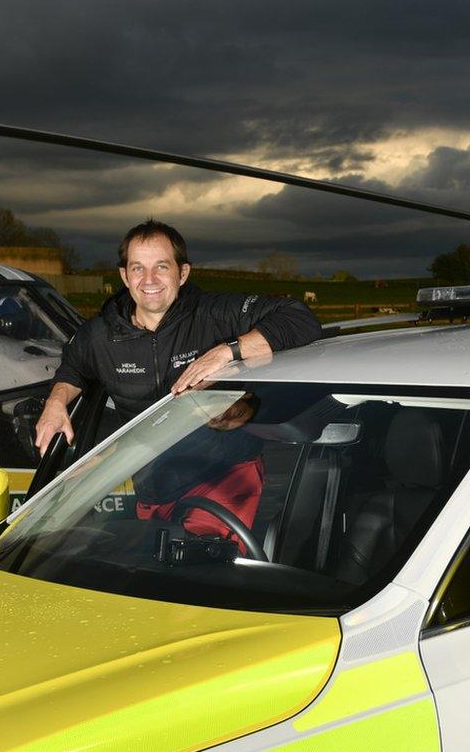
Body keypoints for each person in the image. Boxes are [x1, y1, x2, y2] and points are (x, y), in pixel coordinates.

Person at [34, 220, 321, 453]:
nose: (149, 280)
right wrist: (55, 403)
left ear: (182, 273)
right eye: (138, 268)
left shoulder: (215, 314)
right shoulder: (100, 334)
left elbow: (298, 316)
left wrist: (227, 351)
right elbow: (73, 367)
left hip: (228, 474)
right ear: (124, 276)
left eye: (161, 267)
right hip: (151, 479)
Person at [133, 393, 264, 553]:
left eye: (219, 421)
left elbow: (205, 553)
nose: (222, 418)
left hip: (180, 531)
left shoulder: (237, 461)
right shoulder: (178, 416)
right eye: (237, 413)